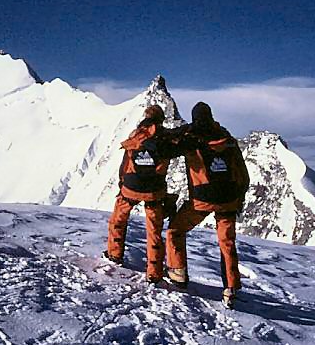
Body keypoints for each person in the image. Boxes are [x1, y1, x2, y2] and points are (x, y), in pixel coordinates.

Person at [165, 102, 250, 308]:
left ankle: (178, 273)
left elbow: (167, 147)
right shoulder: (228, 140)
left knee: (175, 231)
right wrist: (239, 198)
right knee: (227, 242)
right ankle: (230, 288)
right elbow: (242, 174)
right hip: (228, 200)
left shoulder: (192, 139)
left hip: (202, 200)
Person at [103, 104, 176, 284]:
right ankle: (154, 272)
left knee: (118, 220)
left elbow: (125, 163)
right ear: (161, 119)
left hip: (131, 186)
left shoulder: (135, 136)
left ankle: (114, 254)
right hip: (154, 190)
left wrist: (122, 184)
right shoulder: (166, 138)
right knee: (154, 230)